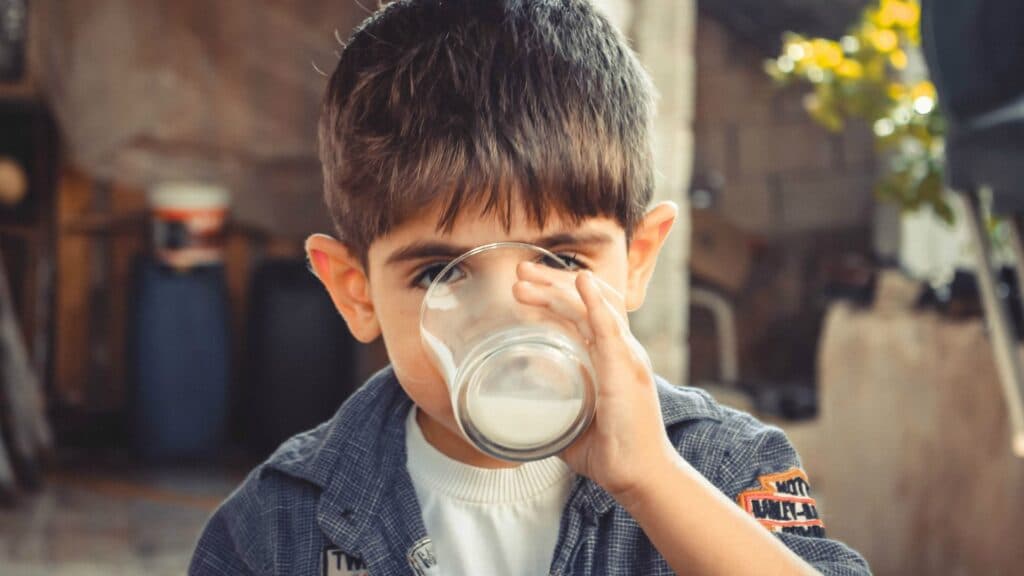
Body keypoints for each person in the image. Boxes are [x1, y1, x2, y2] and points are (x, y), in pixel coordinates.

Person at [190, 1, 871, 574]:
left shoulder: (725, 466)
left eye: (560, 261)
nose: (507, 313)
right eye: (439, 272)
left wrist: (652, 480)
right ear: (356, 291)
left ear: (636, 261)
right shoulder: (276, 526)